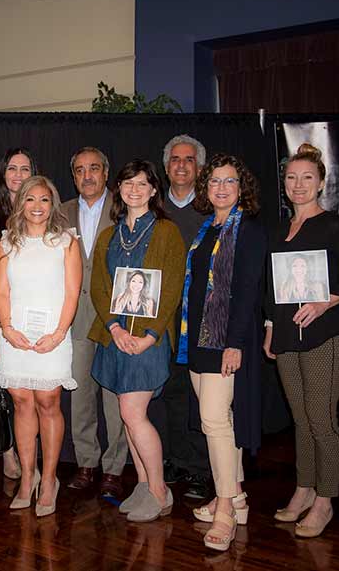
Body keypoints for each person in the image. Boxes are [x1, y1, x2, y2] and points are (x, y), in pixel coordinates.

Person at [264, 143, 339, 539]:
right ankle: (304, 489)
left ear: (321, 182)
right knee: (302, 420)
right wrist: (271, 327)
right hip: (288, 337)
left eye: (307, 177)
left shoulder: (337, 227)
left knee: (322, 421)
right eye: (291, 178)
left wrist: (324, 303)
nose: (298, 185)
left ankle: (325, 499)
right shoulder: (279, 231)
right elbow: (272, 289)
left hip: (326, 336)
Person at [176, 154, 266, 551]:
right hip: (196, 339)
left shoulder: (248, 230)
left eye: (230, 181)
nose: (222, 188)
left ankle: (225, 508)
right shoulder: (206, 229)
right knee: (220, 423)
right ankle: (237, 498)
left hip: (225, 342)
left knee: (214, 421)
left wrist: (233, 343)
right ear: (206, 187)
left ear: (241, 186)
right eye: (215, 181)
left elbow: (248, 293)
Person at [88, 160, 186, 523]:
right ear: (119, 188)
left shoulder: (166, 232)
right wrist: (114, 328)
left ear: (153, 190)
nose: (134, 189)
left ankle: (160, 493)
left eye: (142, 184)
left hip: (147, 342)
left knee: (133, 414)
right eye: (128, 183)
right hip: (115, 339)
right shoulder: (108, 235)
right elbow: (100, 285)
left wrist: (149, 336)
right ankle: (144, 484)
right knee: (129, 420)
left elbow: (173, 287)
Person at [0, 175, 81, 517]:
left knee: (48, 400)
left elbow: (72, 292)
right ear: (20, 203)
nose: (37, 207)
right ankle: (27, 477)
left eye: (44, 200)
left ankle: (49, 480)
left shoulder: (66, 242)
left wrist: (59, 333)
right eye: (30, 200)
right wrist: (9, 330)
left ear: (53, 203)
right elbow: (1, 292)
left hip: (53, 335)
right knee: (20, 400)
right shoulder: (6, 242)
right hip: (16, 335)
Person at [61, 146, 128, 499]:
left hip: (114, 318)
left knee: (115, 399)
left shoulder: (124, 207)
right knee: (81, 396)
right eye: (80, 170)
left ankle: (114, 469)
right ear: (73, 176)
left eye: (94, 169)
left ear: (106, 173)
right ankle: (86, 463)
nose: (87, 176)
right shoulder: (61, 212)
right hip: (77, 320)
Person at [154, 134, 211, 499]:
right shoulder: (153, 209)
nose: (180, 165)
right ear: (166, 166)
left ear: (199, 168)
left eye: (188, 159)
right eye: (175, 159)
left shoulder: (211, 210)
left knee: (202, 399)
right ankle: (177, 459)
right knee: (172, 393)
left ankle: (203, 469)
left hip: (202, 320)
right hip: (164, 321)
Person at [0, 147, 39, 481]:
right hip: (5, 310)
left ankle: (31, 456)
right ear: (3, 173)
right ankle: (9, 453)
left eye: (25, 168)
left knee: (34, 389)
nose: (18, 174)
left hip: (38, 311)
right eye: (13, 168)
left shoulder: (42, 210)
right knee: (9, 390)